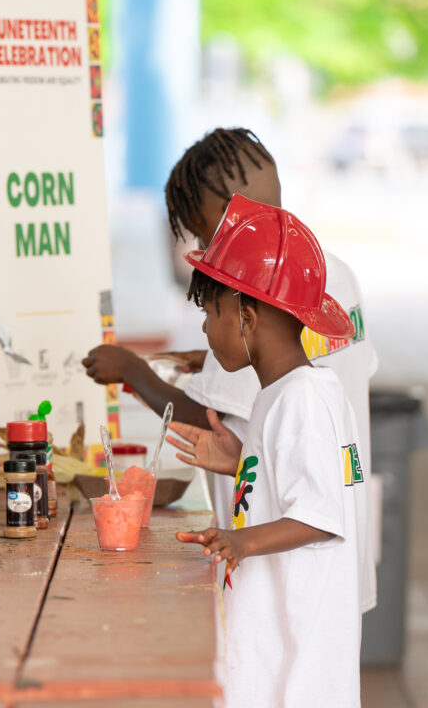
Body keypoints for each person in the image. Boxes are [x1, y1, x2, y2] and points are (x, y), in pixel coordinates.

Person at [81, 130, 377, 612]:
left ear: (227, 213)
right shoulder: (327, 273)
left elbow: (206, 418)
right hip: (332, 561)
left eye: (201, 233)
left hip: (282, 563)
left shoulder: (249, 290)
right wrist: (212, 358)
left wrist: (131, 370)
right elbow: (322, 360)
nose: (205, 247)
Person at [178, 193, 367, 707]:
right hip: (277, 650)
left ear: (248, 314)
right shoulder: (288, 393)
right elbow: (302, 483)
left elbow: (321, 516)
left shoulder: (302, 399)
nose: (204, 327)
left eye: (212, 310)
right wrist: (244, 463)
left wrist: (239, 542)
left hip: (297, 673)